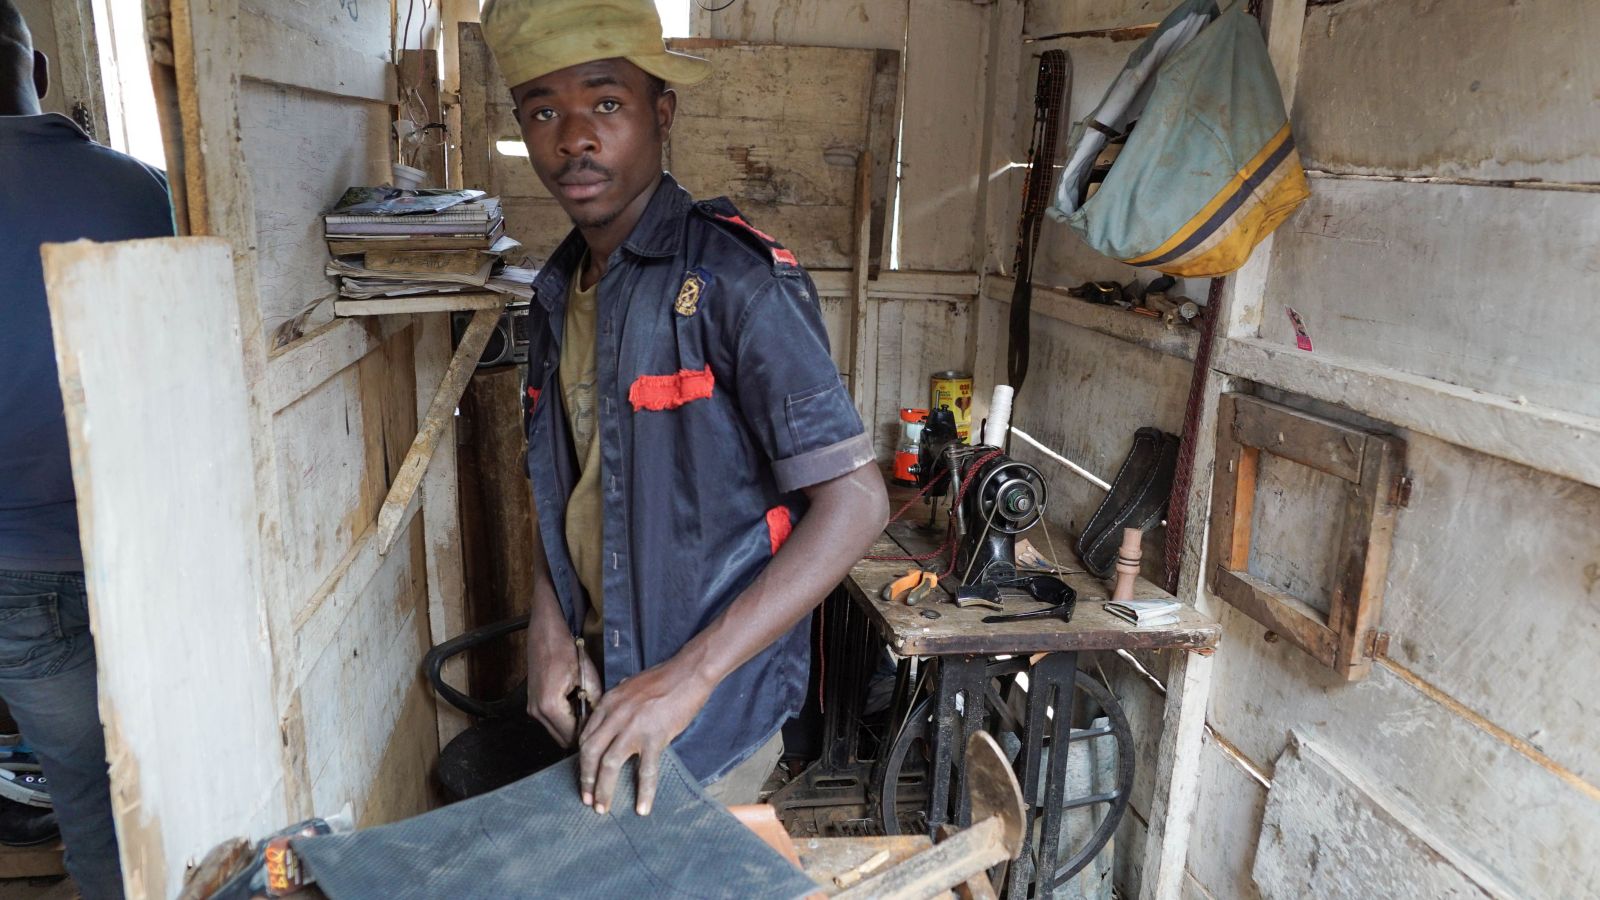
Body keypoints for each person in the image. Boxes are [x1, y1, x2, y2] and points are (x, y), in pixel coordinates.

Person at [481, 0, 889, 817]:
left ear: (661, 113)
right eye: (543, 111)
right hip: (600, 696)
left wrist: (688, 679)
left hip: (709, 718)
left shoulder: (737, 283)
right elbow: (570, 485)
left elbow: (857, 504)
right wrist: (551, 627)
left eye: (605, 103)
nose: (574, 139)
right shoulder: (557, 292)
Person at [0, 3, 175, 896]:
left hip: (11, 571)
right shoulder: (137, 189)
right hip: (139, 550)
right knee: (176, 773)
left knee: (83, 791)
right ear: (36, 77)